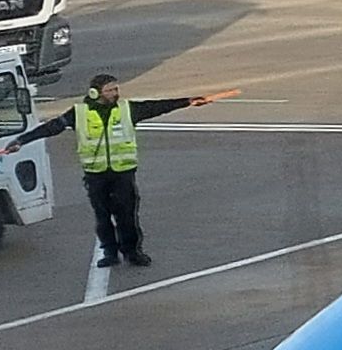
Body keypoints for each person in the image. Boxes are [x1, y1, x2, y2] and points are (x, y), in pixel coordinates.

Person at [60, 73, 221, 272]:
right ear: (95, 93)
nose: (115, 93)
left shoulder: (127, 109)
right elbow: (52, 127)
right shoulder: (79, 113)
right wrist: (21, 142)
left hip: (122, 173)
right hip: (96, 174)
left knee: (127, 215)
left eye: (116, 89)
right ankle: (109, 253)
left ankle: (132, 252)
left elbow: (156, 107)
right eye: (110, 90)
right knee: (102, 217)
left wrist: (187, 102)